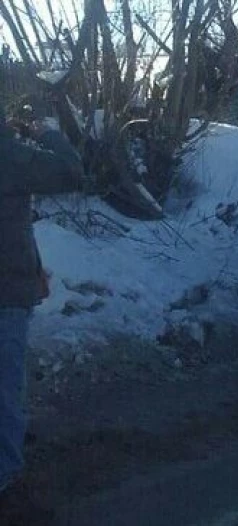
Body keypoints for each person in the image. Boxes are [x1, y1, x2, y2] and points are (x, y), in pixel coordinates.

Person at [0, 105, 83, 512]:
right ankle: (5, 471)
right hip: (5, 292)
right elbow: (70, 172)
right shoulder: (10, 156)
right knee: (3, 389)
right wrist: (45, 132)